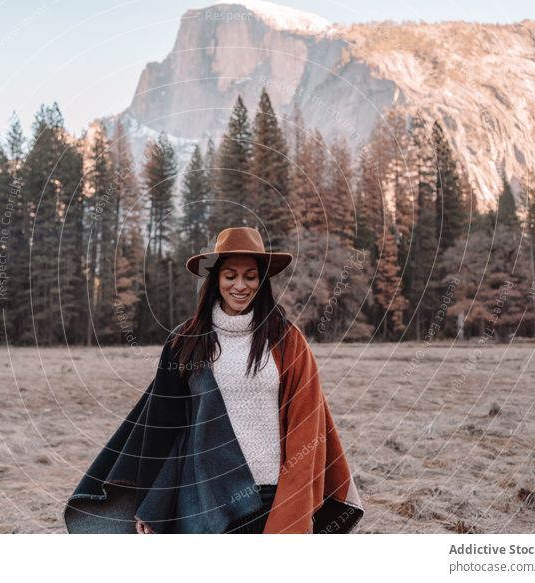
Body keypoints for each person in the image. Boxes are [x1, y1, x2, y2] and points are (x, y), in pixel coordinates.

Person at [64, 227, 364, 534]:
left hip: (273, 493)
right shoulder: (186, 341)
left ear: (262, 280)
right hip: (205, 497)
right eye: (230, 275)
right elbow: (163, 429)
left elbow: (306, 426)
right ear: (215, 279)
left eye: (250, 276)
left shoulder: (287, 341)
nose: (240, 285)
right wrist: (151, 506)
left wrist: (296, 504)